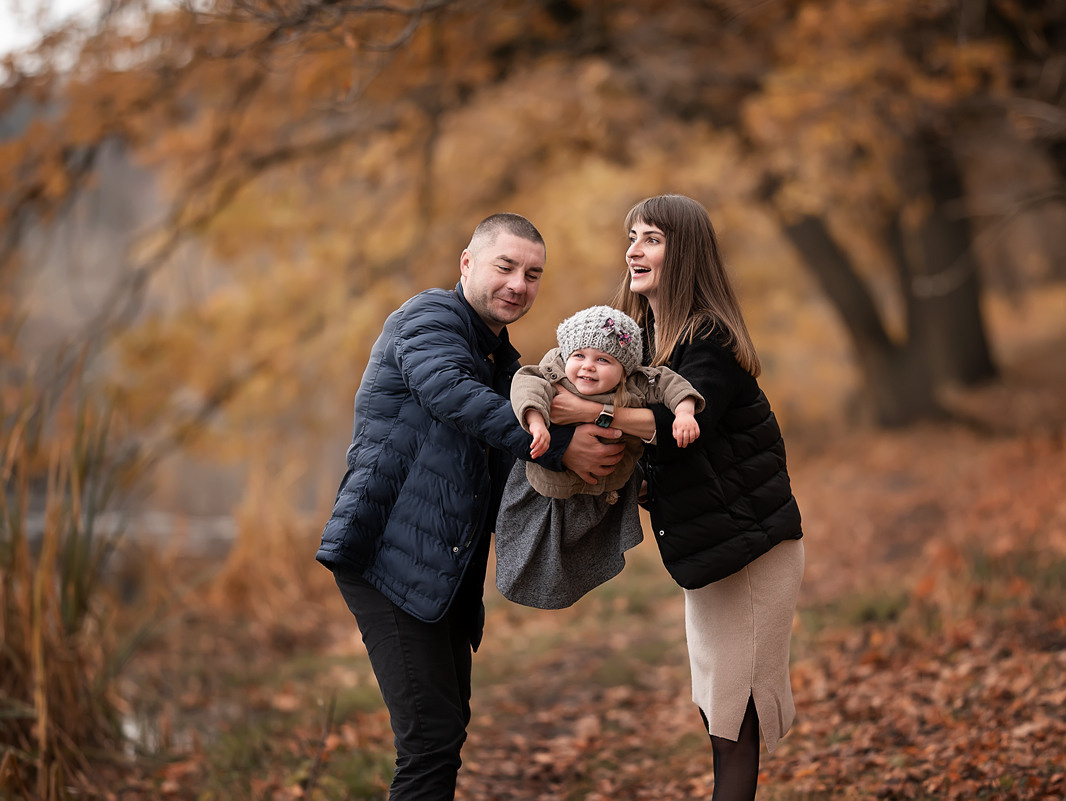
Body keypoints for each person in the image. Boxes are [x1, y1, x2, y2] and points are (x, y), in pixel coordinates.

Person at [315, 213, 625, 801]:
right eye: (505, 267)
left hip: (444, 564)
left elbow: (525, 449)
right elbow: (453, 395)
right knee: (429, 743)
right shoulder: (428, 318)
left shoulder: (499, 356)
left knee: (445, 733)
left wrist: (616, 465)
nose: (518, 285)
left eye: (532, 275)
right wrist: (562, 445)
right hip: (386, 556)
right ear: (467, 263)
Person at [550, 194, 805, 801]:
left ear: (683, 251)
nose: (633, 250)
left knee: (734, 712)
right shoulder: (645, 342)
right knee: (717, 704)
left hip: (752, 552)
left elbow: (682, 427)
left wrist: (589, 412)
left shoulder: (709, 338)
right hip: (712, 548)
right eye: (631, 237)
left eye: (652, 238)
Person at [494, 304, 703, 610]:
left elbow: (672, 384)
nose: (588, 366)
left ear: (625, 369)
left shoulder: (638, 382)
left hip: (606, 491)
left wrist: (684, 413)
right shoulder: (555, 372)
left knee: (587, 551)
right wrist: (536, 422)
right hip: (547, 486)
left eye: (603, 359)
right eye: (579, 355)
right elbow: (526, 384)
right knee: (532, 549)